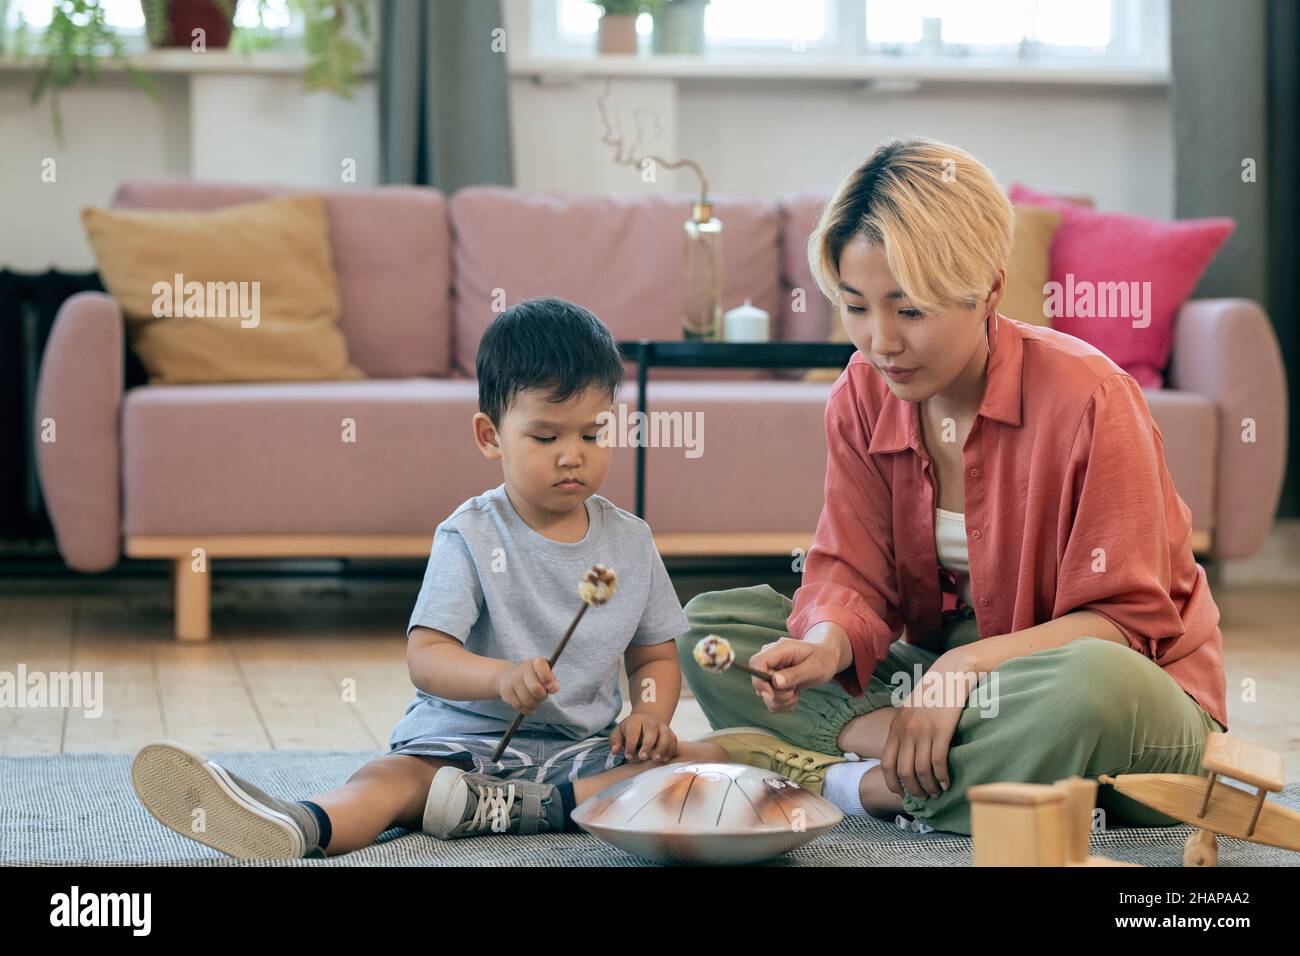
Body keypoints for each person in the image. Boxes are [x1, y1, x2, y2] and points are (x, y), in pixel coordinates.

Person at [683, 136, 1229, 836]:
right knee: (711, 630)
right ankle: (972, 764)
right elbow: (850, 573)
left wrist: (966, 667)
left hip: (1126, 706)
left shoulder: (1092, 399)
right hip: (945, 683)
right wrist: (825, 645)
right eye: (856, 307)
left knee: (1089, 687)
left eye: (910, 311)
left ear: (989, 290)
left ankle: (861, 785)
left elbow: (1124, 628)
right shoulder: (861, 392)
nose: (880, 342)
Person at [131, 296, 727, 858]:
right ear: (490, 436)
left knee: (702, 759)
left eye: (594, 434)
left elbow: (654, 658)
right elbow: (427, 656)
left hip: (581, 753)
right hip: (461, 750)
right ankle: (301, 823)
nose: (573, 454)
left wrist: (650, 714)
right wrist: (501, 678)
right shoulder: (469, 534)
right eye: (545, 436)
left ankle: (539, 806)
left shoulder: (631, 540)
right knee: (392, 780)